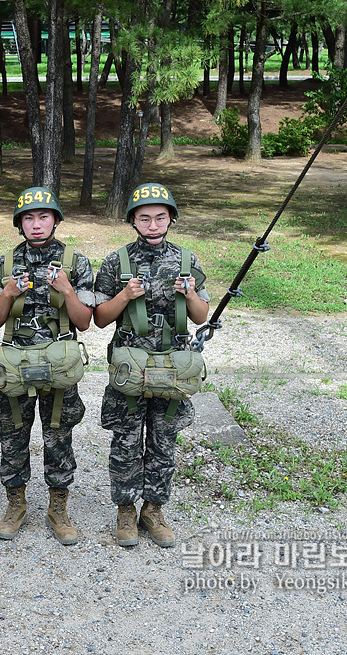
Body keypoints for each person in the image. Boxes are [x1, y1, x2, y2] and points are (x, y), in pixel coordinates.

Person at [93, 183, 210, 548]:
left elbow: (202, 314)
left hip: (172, 364)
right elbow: (99, 318)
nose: (153, 224)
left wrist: (190, 293)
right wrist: (125, 295)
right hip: (130, 364)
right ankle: (126, 510)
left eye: (160, 217)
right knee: (126, 442)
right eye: (144, 218)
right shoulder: (117, 262)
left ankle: (154, 510)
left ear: (171, 218)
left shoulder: (187, 261)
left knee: (163, 441)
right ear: (133, 221)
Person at [0, 188, 94, 545]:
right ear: (20, 224)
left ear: (56, 220)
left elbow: (83, 323)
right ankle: (15, 505)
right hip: (16, 362)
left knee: (59, 436)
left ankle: (57, 509)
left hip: (58, 363)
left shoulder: (75, 263)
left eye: (43, 217)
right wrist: (6, 294)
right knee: (12, 436)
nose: (36, 225)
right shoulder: (5, 264)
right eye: (28, 218)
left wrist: (67, 290)